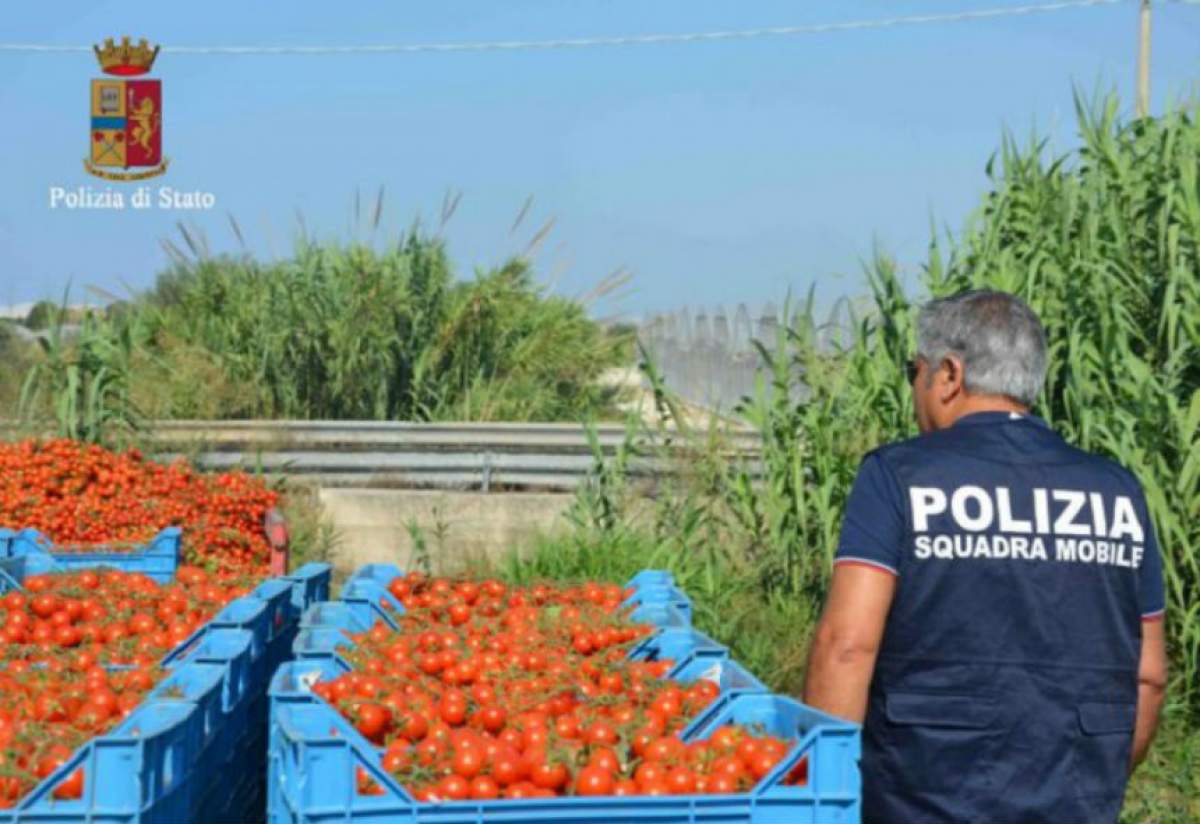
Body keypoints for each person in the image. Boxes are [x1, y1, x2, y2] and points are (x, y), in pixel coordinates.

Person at [802, 290, 1167, 824]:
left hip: (922, 796)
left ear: (948, 374)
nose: (913, 387)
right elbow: (1149, 676)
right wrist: (1092, 781)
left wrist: (824, 792)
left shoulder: (898, 476)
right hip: (1076, 797)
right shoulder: (1118, 491)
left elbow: (846, 647)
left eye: (915, 370)